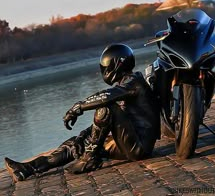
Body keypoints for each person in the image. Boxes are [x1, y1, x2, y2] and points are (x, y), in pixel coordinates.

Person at [5, 43, 160, 182]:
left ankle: (89, 159)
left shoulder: (134, 81)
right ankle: (27, 169)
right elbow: (112, 119)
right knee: (75, 144)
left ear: (117, 64)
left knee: (105, 108)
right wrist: (84, 136)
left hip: (139, 148)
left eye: (106, 64)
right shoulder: (126, 84)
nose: (104, 68)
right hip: (127, 143)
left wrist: (78, 107)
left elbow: (105, 97)